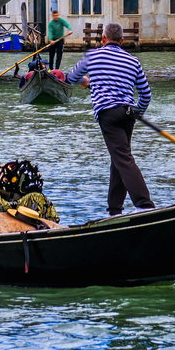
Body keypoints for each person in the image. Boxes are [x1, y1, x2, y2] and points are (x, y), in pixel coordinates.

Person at [65, 22, 155, 217]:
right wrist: (139, 111)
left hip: (108, 114)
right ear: (122, 41)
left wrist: (85, 81)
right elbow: (146, 94)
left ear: (103, 39)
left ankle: (144, 204)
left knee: (122, 158)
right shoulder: (133, 61)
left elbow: (70, 78)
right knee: (118, 159)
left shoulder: (92, 57)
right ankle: (114, 210)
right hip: (128, 114)